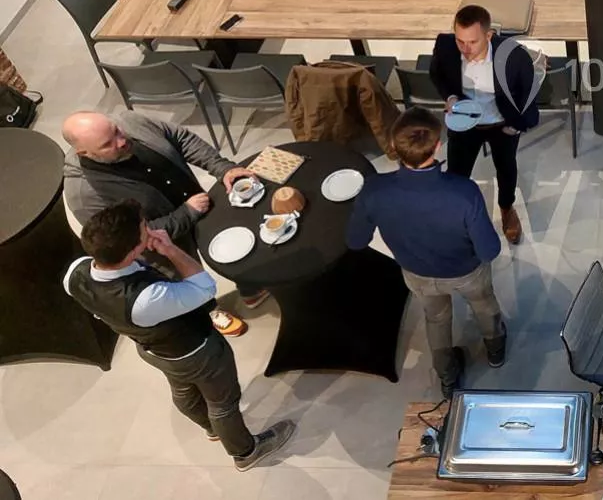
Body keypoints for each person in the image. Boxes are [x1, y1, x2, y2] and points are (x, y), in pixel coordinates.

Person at [63, 201, 295, 470]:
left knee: (183, 389)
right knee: (223, 402)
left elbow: (98, 309)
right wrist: (170, 249)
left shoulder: (75, 273)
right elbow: (204, 288)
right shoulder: (145, 299)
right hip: (194, 350)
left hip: (152, 350)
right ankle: (245, 452)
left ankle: (212, 428)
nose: (151, 228)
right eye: (145, 228)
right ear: (132, 251)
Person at [347, 108, 505, 397]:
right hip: (466, 271)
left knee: (436, 319)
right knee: (484, 306)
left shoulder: (374, 190)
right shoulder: (464, 192)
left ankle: (447, 378)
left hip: (417, 272)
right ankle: (495, 350)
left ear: (393, 146)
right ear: (437, 146)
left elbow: (356, 241)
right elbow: (489, 250)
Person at [62, 111, 262, 337]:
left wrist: (222, 167)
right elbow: (123, 239)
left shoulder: (131, 122)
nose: (122, 140)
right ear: (84, 153)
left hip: (201, 205)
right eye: (108, 144)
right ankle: (209, 312)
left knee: (233, 243)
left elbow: (181, 139)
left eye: (116, 131)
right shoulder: (84, 194)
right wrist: (186, 213)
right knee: (189, 283)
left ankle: (250, 288)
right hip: (164, 246)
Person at [430, 5, 538, 244]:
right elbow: (436, 73)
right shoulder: (446, 46)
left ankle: (506, 208)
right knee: (457, 173)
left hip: (502, 124)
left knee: (506, 168)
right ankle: (459, 214)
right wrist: (450, 97)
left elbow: (528, 93)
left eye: (472, 42)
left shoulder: (514, 56)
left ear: (489, 35)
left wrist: (517, 126)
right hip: (465, 123)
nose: (465, 49)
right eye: (460, 41)